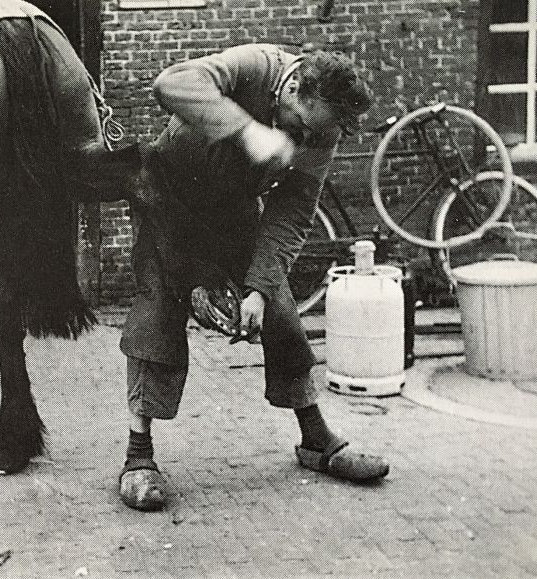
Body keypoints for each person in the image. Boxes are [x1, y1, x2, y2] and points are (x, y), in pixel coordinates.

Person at [119, 44, 389, 511]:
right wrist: (248, 132)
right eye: (298, 125)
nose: (302, 138)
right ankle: (137, 456)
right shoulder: (252, 66)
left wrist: (259, 290)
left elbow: (294, 208)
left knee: (280, 310)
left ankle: (316, 439)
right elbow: (171, 83)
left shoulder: (322, 128)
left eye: (313, 133)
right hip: (167, 200)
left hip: (234, 209)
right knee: (157, 315)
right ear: (295, 86)